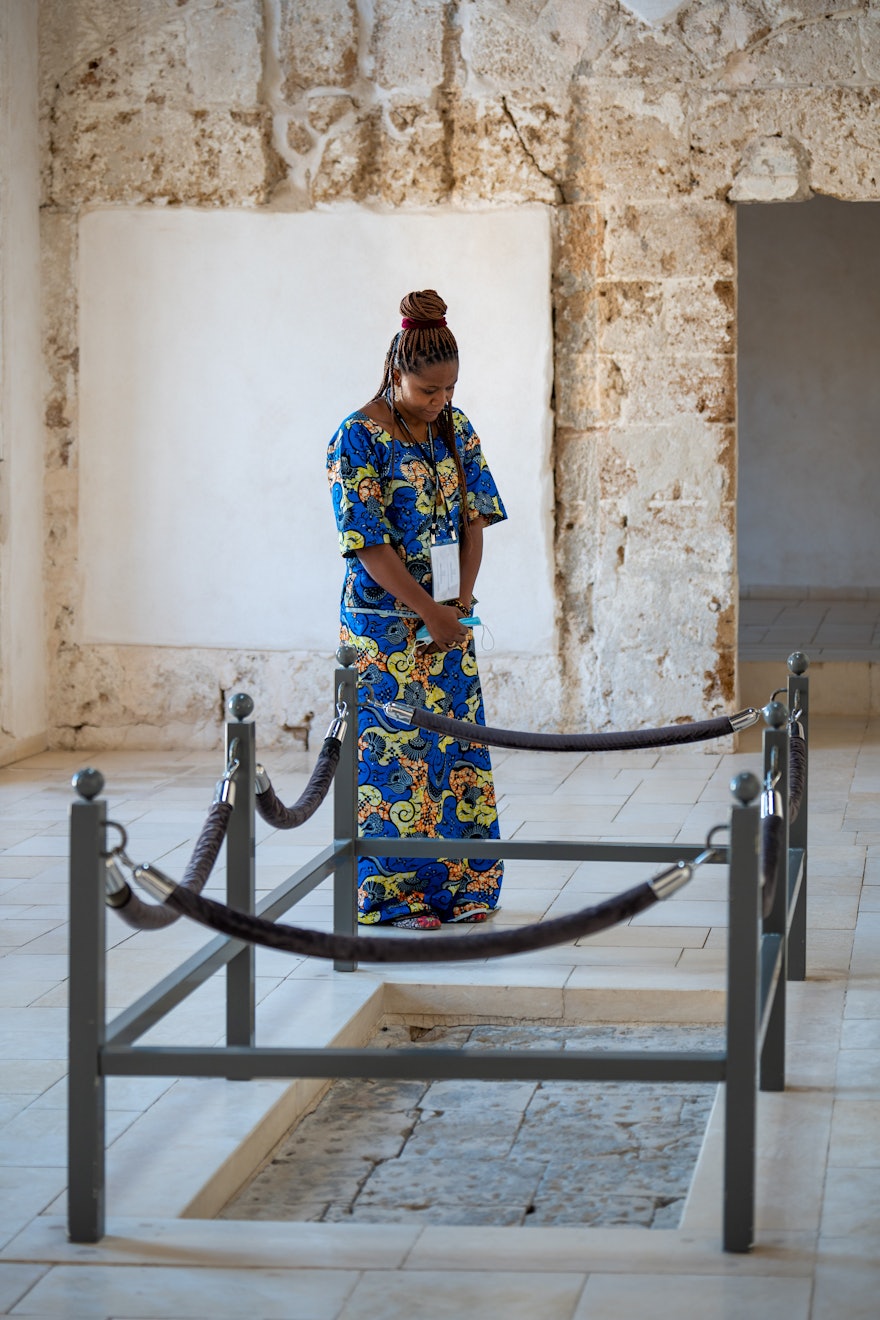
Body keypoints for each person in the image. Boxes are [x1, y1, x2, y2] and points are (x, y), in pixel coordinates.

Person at [326, 289, 507, 930]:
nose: (442, 402)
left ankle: (464, 886)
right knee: (394, 761)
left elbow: (475, 517)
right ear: (395, 370)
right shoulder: (356, 440)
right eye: (429, 391)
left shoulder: (454, 430)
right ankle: (394, 896)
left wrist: (461, 601)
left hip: (449, 622)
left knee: (456, 755)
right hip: (385, 630)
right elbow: (367, 545)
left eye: (450, 389)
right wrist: (429, 612)